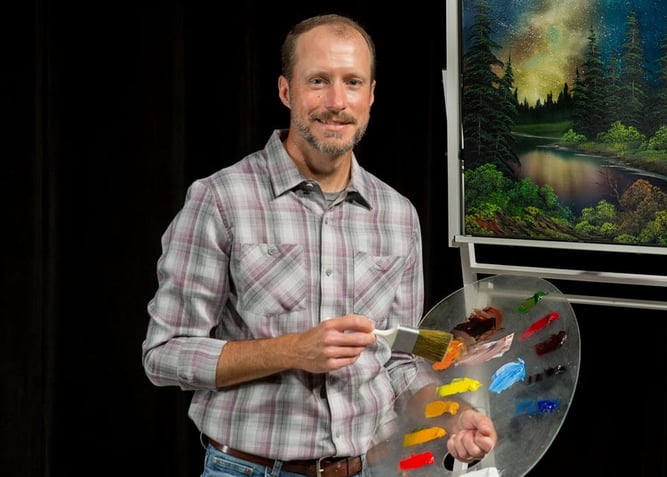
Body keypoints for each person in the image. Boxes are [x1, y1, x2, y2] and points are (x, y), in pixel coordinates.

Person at [142, 13, 497, 477]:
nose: (336, 101)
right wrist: (293, 351)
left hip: (368, 469)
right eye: (318, 81)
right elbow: (164, 354)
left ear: (370, 95)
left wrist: (452, 415)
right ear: (286, 91)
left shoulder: (398, 215)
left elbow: (401, 365)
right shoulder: (221, 199)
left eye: (352, 82)